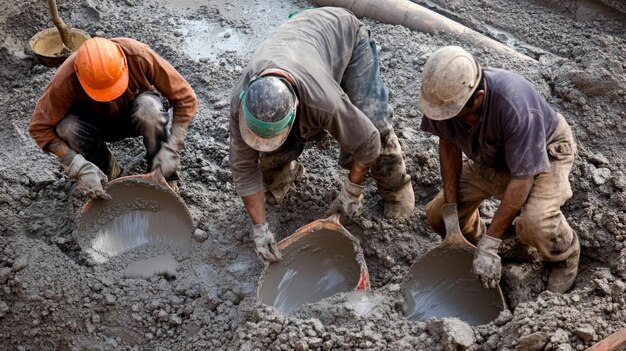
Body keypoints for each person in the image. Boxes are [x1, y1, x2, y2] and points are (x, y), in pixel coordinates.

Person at [229, 7, 415, 265]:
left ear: (296, 110)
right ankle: (284, 174)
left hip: (344, 36)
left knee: (374, 122)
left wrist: (352, 189)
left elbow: (368, 140)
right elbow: (243, 167)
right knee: (267, 147)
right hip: (298, 44)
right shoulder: (241, 102)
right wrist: (260, 228)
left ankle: (395, 188)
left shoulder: (323, 101)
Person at [418, 46, 579, 293]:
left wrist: (491, 245)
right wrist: (452, 213)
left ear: (479, 98)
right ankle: (473, 242)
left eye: (456, 114)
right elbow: (448, 144)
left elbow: (522, 179)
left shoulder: (514, 105)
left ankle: (565, 256)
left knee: (536, 223)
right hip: (493, 155)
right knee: (439, 215)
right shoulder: (443, 99)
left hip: (545, 151)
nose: (448, 119)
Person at [29, 37, 198, 199]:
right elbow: (39, 128)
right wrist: (76, 165)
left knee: (150, 109)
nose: (109, 97)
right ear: (79, 76)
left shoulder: (137, 55)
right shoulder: (65, 81)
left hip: (137, 116)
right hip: (94, 127)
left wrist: (172, 145)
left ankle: (163, 175)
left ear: (124, 64)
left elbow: (186, 97)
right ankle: (108, 175)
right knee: (67, 127)